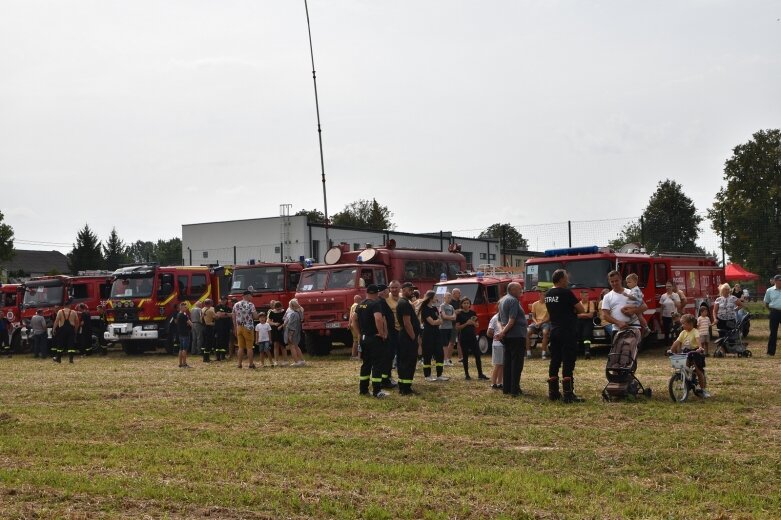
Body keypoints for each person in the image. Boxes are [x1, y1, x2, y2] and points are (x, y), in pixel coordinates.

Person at [544, 269, 586, 402]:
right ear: (561, 279)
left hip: (554, 330)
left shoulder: (548, 294)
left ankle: (553, 392)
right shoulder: (566, 292)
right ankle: (568, 394)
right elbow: (581, 309)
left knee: (555, 360)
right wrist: (571, 309)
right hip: (567, 330)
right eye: (566, 278)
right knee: (568, 361)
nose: (568, 280)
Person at [351, 284, 387, 398]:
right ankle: (377, 391)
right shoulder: (376, 304)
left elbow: (353, 320)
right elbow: (378, 318)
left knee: (366, 364)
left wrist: (359, 334)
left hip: (363, 338)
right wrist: (381, 333)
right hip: (374, 338)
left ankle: (363, 389)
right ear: (376, 293)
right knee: (377, 364)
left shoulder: (360, 305)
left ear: (367, 293)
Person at [495, 282, 527, 397]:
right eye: (519, 289)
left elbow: (498, 319)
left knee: (508, 362)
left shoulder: (502, 300)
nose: (521, 291)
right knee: (516, 363)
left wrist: (501, 332)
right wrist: (503, 332)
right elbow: (512, 320)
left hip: (507, 337)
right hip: (516, 335)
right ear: (512, 290)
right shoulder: (513, 301)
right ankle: (515, 389)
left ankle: (507, 388)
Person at [669, 313, 710, 398]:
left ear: (690, 324)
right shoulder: (683, 332)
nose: (682, 325)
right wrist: (671, 350)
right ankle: (687, 382)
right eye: (682, 323)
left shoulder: (695, 331)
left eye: (684, 323)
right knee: (684, 367)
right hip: (687, 351)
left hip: (695, 351)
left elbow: (698, 340)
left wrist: (700, 347)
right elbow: (677, 342)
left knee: (698, 371)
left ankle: (703, 390)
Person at [600, 270, 647, 344]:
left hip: (634, 328)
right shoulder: (607, 297)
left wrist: (633, 311)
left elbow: (644, 307)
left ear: (621, 280)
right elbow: (605, 315)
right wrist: (618, 322)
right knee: (617, 354)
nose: (614, 283)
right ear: (609, 282)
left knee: (631, 354)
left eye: (616, 280)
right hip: (617, 329)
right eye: (612, 281)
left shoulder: (631, 292)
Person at [396, 282, 420, 395]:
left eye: (412, 290)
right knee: (408, 362)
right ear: (404, 290)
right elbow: (407, 323)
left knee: (405, 362)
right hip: (407, 337)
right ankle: (405, 388)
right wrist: (413, 337)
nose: (412, 292)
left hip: (405, 336)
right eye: (410, 290)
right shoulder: (404, 303)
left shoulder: (405, 302)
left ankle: (404, 386)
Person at [420, 290, 447, 382]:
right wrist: (437, 322)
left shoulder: (435, 309)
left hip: (437, 333)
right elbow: (431, 322)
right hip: (428, 334)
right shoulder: (425, 309)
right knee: (427, 354)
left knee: (440, 353)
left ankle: (439, 375)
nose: (437, 298)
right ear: (431, 298)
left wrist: (437, 322)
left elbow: (441, 320)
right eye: (435, 296)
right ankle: (427, 375)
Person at [456, 298, 485, 380]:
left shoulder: (473, 313)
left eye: (467, 303)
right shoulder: (459, 314)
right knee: (465, 356)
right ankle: (467, 375)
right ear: (461, 304)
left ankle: (480, 374)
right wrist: (466, 324)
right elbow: (457, 327)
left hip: (472, 337)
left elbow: (477, 325)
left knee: (477, 355)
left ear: (470, 304)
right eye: (464, 303)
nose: (466, 304)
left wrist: (473, 323)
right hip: (463, 337)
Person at [380, 282, 400, 388]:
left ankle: (386, 378)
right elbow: (382, 319)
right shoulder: (383, 302)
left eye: (395, 287)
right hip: (389, 333)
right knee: (387, 357)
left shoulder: (401, 299)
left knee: (390, 356)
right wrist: (385, 333)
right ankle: (385, 380)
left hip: (396, 331)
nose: (393, 289)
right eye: (391, 288)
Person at [233, 291, 258, 369]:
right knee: (249, 347)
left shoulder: (236, 304)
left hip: (239, 327)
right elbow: (255, 316)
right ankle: (251, 364)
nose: (252, 297)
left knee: (240, 347)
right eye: (251, 295)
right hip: (248, 327)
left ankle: (239, 364)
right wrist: (259, 314)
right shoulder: (250, 305)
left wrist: (235, 327)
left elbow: (233, 317)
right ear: (247, 296)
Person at [527, 290, 550, 359]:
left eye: (545, 295)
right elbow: (533, 316)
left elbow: (549, 318)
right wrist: (536, 322)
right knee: (526, 333)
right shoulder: (535, 304)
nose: (545, 297)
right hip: (535, 323)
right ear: (539, 295)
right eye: (543, 295)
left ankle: (543, 354)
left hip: (545, 323)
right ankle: (528, 353)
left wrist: (540, 323)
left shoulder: (548, 304)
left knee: (545, 333)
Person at [575, 290, 596, 359]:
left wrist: (581, 315)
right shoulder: (578, 304)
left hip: (588, 322)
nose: (587, 297)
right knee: (576, 333)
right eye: (585, 295)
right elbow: (576, 316)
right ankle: (576, 351)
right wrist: (585, 314)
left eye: (587, 295)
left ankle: (587, 351)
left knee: (586, 334)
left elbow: (591, 315)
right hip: (579, 322)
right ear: (581, 296)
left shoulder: (591, 303)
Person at [764, 274, 781, 356]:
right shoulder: (769, 290)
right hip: (774, 312)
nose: (780, 282)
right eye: (779, 281)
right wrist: (772, 310)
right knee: (773, 332)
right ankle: (770, 352)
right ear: (775, 281)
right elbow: (766, 303)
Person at [285, 299, 306, 366]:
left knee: (292, 346)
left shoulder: (293, 314)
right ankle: (302, 360)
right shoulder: (299, 311)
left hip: (292, 331)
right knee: (296, 346)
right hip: (297, 330)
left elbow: (291, 325)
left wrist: (290, 335)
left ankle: (296, 361)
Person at [487, 312, 503, 389]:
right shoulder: (495, 318)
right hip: (498, 345)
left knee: (502, 364)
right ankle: (493, 383)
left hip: (502, 344)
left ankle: (500, 382)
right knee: (497, 364)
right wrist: (495, 337)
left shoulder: (504, 316)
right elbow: (489, 332)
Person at [268, 301, 288, 367]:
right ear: (275, 308)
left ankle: (285, 361)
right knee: (276, 345)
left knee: (283, 345)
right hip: (275, 330)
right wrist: (274, 324)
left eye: (279, 309)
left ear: (281, 307)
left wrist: (281, 326)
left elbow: (286, 320)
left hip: (282, 329)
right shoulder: (272, 312)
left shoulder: (284, 312)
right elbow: (269, 321)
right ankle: (276, 361)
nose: (278, 310)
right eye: (277, 309)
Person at [439, 292, 456, 365]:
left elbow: (454, 316)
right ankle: (445, 360)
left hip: (450, 327)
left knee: (449, 343)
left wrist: (450, 317)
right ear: (444, 298)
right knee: (444, 344)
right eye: (447, 297)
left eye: (450, 297)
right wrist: (451, 317)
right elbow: (443, 316)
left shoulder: (451, 307)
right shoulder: (442, 306)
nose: (449, 298)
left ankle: (447, 359)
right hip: (443, 328)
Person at [214, 296, 232, 361]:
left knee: (225, 341)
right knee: (219, 341)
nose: (223, 301)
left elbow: (232, 315)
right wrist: (227, 314)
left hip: (226, 327)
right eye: (222, 300)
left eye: (224, 300)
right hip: (219, 327)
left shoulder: (228, 308)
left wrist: (224, 314)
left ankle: (223, 356)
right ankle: (218, 356)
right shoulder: (217, 307)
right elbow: (218, 315)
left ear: (226, 300)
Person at [176, 302, 192, 368]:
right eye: (185, 307)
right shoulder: (184, 315)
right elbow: (190, 323)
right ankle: (184, 364)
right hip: (185, 333)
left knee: (181, 348)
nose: (186, 308)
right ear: (181, 307)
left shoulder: (178, 314)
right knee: (184, 349)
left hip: (180, 333)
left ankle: (180, 363)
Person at [450, 288, 463, 362]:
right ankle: (448, 358)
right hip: (453, 324)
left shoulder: (461, 302)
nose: (460, 294)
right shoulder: (450, 302)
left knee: (460, 341)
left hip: (460, 323)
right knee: (452, 342)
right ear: (454, 294)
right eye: (458, 293)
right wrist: (456, 311)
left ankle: (461, 358)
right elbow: (449, 312)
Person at [349, 294, 362, 360]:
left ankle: (353, 355)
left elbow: (350, 316)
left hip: (352, 325)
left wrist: (349, 324)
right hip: (355, 325)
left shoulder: (352, 306)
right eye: (360, 299)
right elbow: (354, 316)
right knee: (357, 340)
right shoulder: (357, 306)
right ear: (358, 300)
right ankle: (356, 355)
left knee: (355, 340)